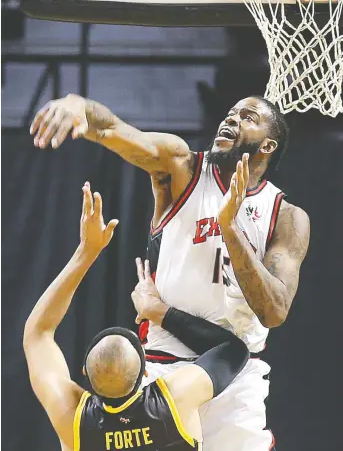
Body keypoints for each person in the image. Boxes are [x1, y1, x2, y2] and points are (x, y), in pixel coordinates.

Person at [30, 94, 311, 451]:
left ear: (268, 144)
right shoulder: (182, 168)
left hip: (234, 373)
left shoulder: (286, 217)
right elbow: (116, 130)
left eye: (247, 116)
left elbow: (273, 311)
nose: (231, 119)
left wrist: (231, 230)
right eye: (229, 112)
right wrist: (80, 109)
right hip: (164, 369)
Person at [24, 182, 249, 451]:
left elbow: (37, 333)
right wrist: (158, 312)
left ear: (84, 373)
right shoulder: (174, 399)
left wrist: (85, 253)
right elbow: (232, 349)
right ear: (145, 373)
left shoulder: (72, 419)